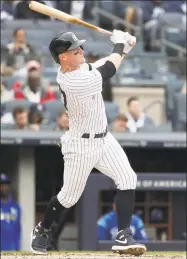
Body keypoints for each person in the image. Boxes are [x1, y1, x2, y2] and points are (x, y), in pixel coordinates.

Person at [30, 30, 147, 256]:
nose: (81, 51)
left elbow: (100, 64)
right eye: (75, 50)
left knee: (128, 178)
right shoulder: (73, 80)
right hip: (80, 145)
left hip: (104, 138)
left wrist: (124, 49)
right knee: (68, 197)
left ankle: (123, 234)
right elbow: (108, 69)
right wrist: (120, 45)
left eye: (80, 47)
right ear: (63, 57)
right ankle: (42, 229)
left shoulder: (80, 68)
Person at [0, 173, 21, 251]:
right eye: (1, 185)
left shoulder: (16, 207)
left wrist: (17, 248)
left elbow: (18, 229)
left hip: (11, 250)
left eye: (5, 184)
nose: (3, 187)